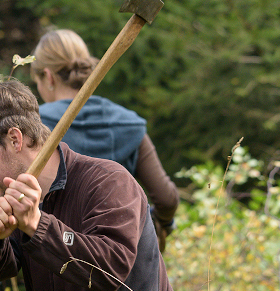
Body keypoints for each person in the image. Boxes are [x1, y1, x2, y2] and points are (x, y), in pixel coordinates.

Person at [0, 80, 192, 291]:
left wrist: (37, 225)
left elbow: (111, 267)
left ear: (14, 139)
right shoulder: (18, 199)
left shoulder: (108, 181)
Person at [30, 29, 180, 252]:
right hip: (122, 260)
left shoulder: (34, 127)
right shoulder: (128, 123)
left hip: (62, 259)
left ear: (48, 77)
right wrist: (162, 225)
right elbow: (166, 199)